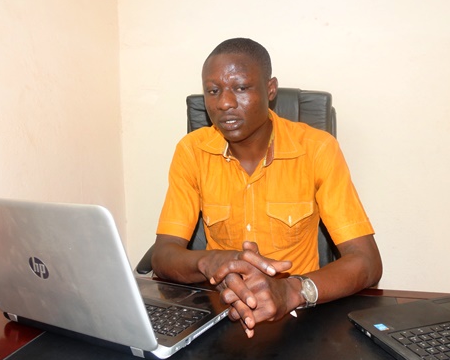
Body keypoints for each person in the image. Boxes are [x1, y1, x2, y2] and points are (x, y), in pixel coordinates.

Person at [152, 37, 382, 338]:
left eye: (241, 88)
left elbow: (367, 262)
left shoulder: (317, 149)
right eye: (213, 91)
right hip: (223, 312)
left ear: (270, 89)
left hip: (299, 317)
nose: (224, 103)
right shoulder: (192, 151)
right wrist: (211, 261)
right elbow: (163, 255)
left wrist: (292, 290)